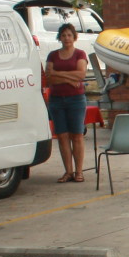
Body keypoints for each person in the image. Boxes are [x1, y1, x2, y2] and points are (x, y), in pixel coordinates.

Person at [41, 23, 90, 182]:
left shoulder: (80, 54)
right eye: (63, 35)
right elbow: (49, 77)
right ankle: (68, 172)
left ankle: (79, 172)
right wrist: (69, 78)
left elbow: (81, 75)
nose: (66, 38)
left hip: (76, 99)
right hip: (57, 100)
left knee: (77, 135)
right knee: (62, 136)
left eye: (69, 35)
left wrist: (59, 73)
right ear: (59, 38)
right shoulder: (53, 55)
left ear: (74, 37)